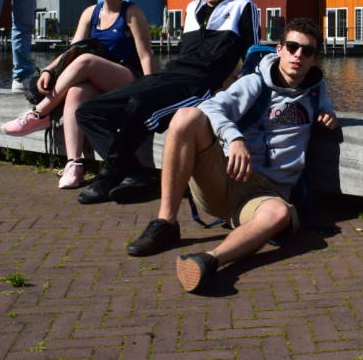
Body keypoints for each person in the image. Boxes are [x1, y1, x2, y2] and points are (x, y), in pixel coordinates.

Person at [124, 17, 337, 295]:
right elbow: (211, 106)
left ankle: (208, 260)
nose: (298, 55)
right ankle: (166, 223)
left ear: (314, 59)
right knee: (186, 117)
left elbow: (327, 108)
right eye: (293, 47)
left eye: (306, 51)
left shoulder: (316, 89)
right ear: (279, 49)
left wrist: (329, 117)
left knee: (279, 212)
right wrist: (234, 138)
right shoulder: (254, 83)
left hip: (265, 194)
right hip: (226, 178)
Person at [75, 0, 259, 205]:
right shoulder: (193, 8)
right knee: (89, 111)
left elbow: (253, 54)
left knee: (140, 104)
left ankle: (108, 175)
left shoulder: (241, 7)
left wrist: (245, 88)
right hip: (168, 76)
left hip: (198, 86)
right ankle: (134, 172)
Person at [0, 0, 154, 189]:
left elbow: (145, 55)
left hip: (127, 79)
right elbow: (70, 52)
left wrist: (151, 92)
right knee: (75, 93)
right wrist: (48, 71)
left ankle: (39, 113)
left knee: (85, 62)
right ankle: (75, 165)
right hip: (96, 81)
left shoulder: (132, 13)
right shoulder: (89, 14)